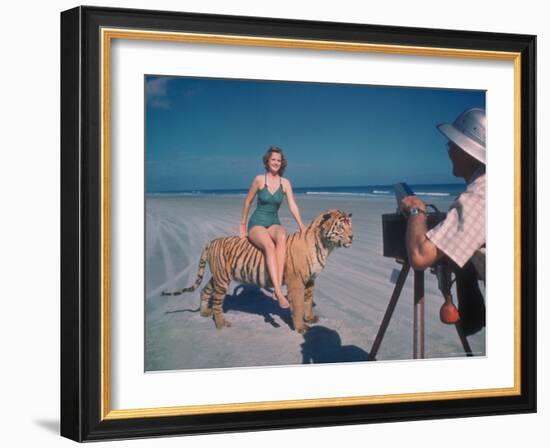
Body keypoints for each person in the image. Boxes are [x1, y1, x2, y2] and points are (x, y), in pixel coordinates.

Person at [400, 108, 486, 282]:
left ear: (466, 152)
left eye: (451, 145)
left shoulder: (478, 197)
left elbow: (419, 256)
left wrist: (416, 211)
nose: (448, 152)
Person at [240, 146, 306, 309]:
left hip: (274, 222)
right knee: (269, 245)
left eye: (279, 160)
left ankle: (278, 285)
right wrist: (242, 224)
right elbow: (248, 201)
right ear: (267, 161)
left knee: (282, 236)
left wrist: (302, 226)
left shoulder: (285, 183)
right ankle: (277, 290)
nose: (276, 162)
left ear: (281, 163)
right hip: (257, 223)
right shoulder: (259, 179)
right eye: (273, 160)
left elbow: (292, 205)